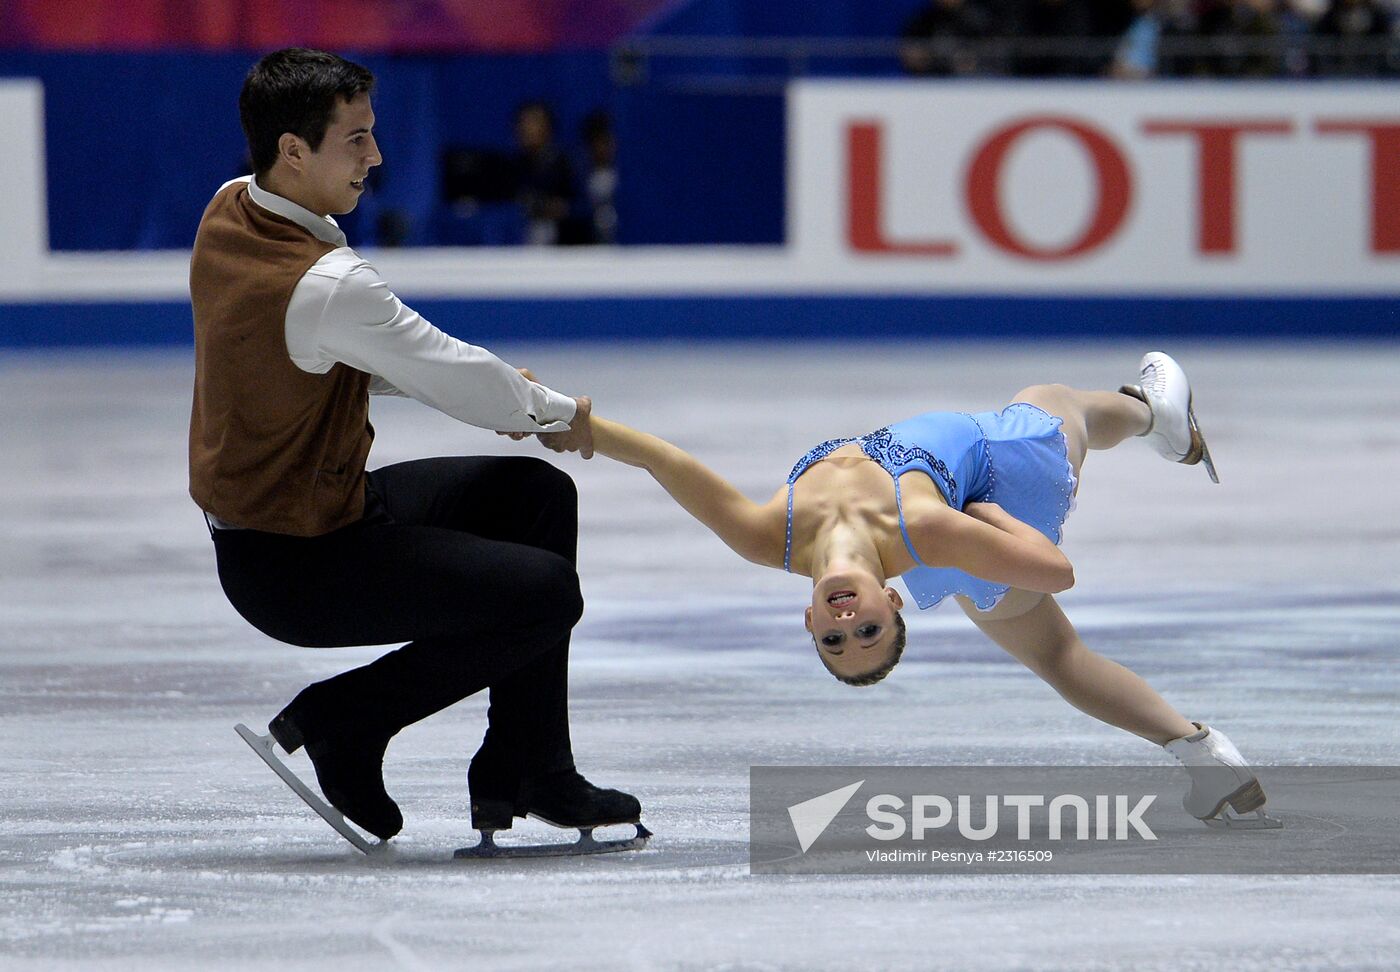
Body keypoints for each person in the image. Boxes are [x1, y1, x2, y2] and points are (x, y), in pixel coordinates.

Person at [189, 48, 641, 848]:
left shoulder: (232, 209)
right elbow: (436, 364)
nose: (376, 156)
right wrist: (550, 412)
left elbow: (338, 358)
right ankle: (343, 721)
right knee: (545, 593)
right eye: (356, 139)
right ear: (293, 150)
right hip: (292, 562)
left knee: (536, 501)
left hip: (311, 512)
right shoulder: (326, 282)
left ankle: (528, 764)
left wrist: (507, 399)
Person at [539, 353, 1274, 827]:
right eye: (868, 633)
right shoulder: (924, 529)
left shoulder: (769, 536)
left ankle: (1206, 757)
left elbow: (666, 462)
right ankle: (1157, 418)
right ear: (895, 602)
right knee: (1053, 397)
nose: (848, 623)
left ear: (808, 620)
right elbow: (1056, 570)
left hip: (971, 525)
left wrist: (582, 423)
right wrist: (988, 520)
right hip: (1012, 476)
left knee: (1054, 655)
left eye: (834, 640)